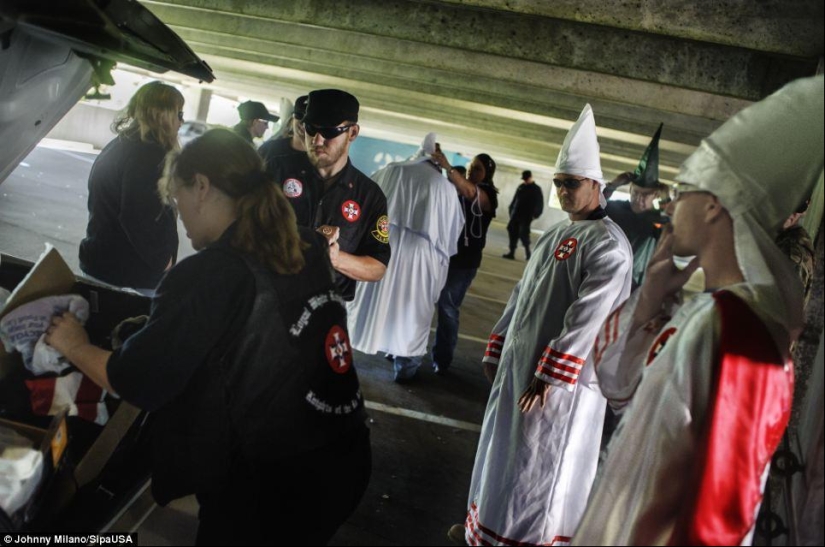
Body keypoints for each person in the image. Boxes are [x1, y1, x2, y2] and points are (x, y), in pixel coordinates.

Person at [46, 128, 372, 546]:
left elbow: (136, 380)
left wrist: (71, 342)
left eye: (176, 197)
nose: (179, 215)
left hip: (272, 484)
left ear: (200, 186)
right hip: (342, 456)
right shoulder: (305, 244)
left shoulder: (211, 273)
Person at [573, 75, 823, 546]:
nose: (670, 204)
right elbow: (618, 387)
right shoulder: (708, 314)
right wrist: (649, 297)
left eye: (683, 189)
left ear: (713, 207)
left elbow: (720, 507)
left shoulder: (736, 328)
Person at [449, 103, 632, 546]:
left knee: (541, 468)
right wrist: (498, 347)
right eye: (559, 184)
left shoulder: (610, 247)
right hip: (521, 369)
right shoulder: (554, 234)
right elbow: (523, 296)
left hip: (557, 388)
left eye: (572, 184)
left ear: (595, 184)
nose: (564, 191)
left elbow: (588, 317)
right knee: (504, 457)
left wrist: (550, 375)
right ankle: (488, 530)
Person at [347, 133, 464, 382]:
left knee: (375, 302)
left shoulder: (392, 171)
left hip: (383, 244)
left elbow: (363, 202)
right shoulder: (443, 186)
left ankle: (346, 352)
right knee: (412, 311)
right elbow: (452, 233)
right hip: (422, 258)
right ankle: (405, 367)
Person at [267, 88, 391, 301]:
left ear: (352, 133)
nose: (316, 140)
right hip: (271, 297)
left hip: (325, 311)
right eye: (310, 128)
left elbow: (377, 267)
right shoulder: (275, 171)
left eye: (329, 132)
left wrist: (334, 257)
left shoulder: (369, 196)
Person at [78, 80, 181, 295]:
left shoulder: (122, 143)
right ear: (162, 115)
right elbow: (139, 215)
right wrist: (163, 260)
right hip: (131, 270)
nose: (181, 122)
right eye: (178, 114)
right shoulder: (149, 153)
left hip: (103, 260)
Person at [428, 147, 499, 375]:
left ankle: (442, 359)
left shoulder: (488, 194)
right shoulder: (460, 189)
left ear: (487, 173)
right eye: (470, 168)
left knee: (447, 307)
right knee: (425, 299)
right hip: (442, 254)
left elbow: (471, 193)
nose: (471, 172)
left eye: (477, 169)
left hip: (464, 262)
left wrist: (448, 167)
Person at [604, 123, 670, 289]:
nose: (639, 198)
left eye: (646, 194)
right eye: (636, 192)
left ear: (655, 194)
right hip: (605, 276)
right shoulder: (614, 209)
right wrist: (612, 185)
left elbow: (674, 233)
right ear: (630, 189)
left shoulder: (657, 220)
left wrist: (666, 200)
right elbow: (590, 209)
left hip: (635, 286)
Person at [259, 94, 309, 169]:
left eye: (310, 118)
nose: (303, 122)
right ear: (292, 120)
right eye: (299, 116)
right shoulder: (269, 150)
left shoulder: (322, 156)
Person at [502, 170, 543, 260]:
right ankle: (511, 252)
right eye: (524, 179)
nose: (525, 181)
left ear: (530, 177)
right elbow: (515, 199)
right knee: (512, 231)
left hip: (526, 216)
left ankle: (528, 253)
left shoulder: (536, 189)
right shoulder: (521, 187)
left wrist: (535, 215)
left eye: (526, 179)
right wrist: (511, 209)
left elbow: (540, 203)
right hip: (515, 215)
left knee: (523, 233)